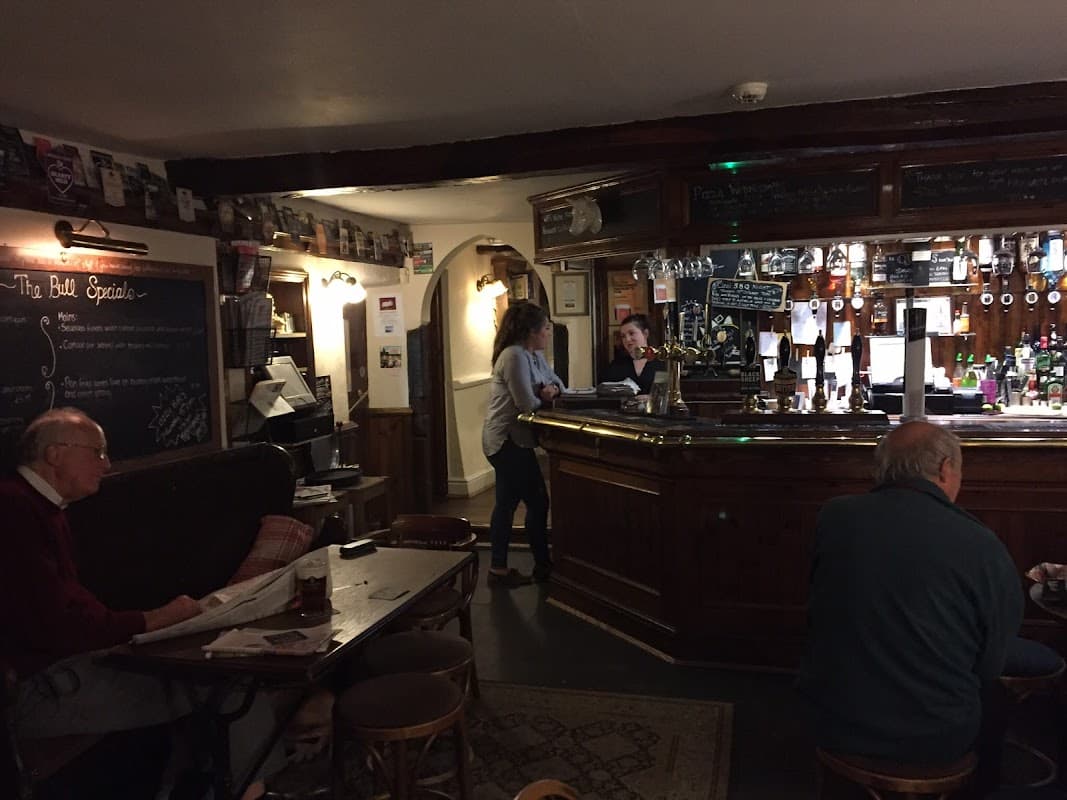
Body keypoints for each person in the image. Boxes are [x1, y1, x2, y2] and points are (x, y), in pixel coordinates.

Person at [2, 408, 275, 799]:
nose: (107, 464)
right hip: (41, 691)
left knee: (220, 673)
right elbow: (54, 626)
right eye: (96, 452)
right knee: (229, 681)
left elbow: (69, 612)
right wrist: (153, 620)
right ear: (55, 453)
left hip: (66, 668)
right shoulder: (14, 511)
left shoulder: (42, 508)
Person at [796, 420, 1023, 783]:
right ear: (946, 468)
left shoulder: (835, 516)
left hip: (830, 718)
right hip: (933, 737)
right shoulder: (981, 545)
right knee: (993, 706)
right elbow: (991, 660)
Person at [482, 302, 562, 588]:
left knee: (506, 503)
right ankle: (542, 566)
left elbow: (558, 384)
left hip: (517, 439)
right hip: (505, 440)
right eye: (545, 329)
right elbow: (527, 404)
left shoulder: (534, 355)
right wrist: (545, 395)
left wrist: (549, 391)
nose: (548, 334)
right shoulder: (514, 356)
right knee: (538, 502)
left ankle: (498, 570)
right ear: (531, 332)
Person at [602, 313, 662, 395]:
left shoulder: (661, 362)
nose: (627, 339)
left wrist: (651, 399)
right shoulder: (616, 365)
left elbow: (666, 394)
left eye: (631, 333)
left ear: (645, 334)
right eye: (623, 336)